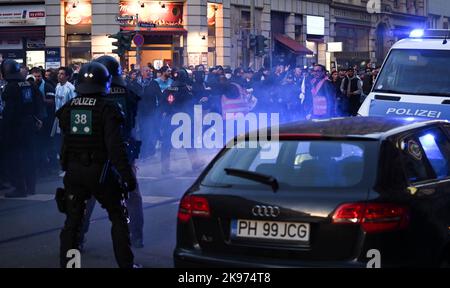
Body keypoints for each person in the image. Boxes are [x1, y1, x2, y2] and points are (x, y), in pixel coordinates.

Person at [56, 62, 139, 268]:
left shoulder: (68, 108)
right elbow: (115, 147)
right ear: (106, 82)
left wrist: (66, 168)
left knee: (72, 225)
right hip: (101, 171)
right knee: (118, 218)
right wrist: (127, 177)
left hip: (75, 172)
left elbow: (65, 144)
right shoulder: (108, 108)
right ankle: (126, 265)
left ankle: (70, 265)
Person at [80, 55, 144, 249]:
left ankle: (78, 238)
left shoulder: (87, 96)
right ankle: (136, 237)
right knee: (132, 195)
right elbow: (134, 126)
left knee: (87, 197)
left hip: (94, 154)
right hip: (122, 152)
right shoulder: (128, 94)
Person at [0, 59, 45, 197]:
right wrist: (38, 119)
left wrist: (4, 128)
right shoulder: (29, 84)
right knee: (29, 157)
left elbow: (9, 111)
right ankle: (31, 187)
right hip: (29, 125)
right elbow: (39, 102)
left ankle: (20, 188)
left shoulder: (10, 88)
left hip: (15, 127)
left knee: (15, 158)